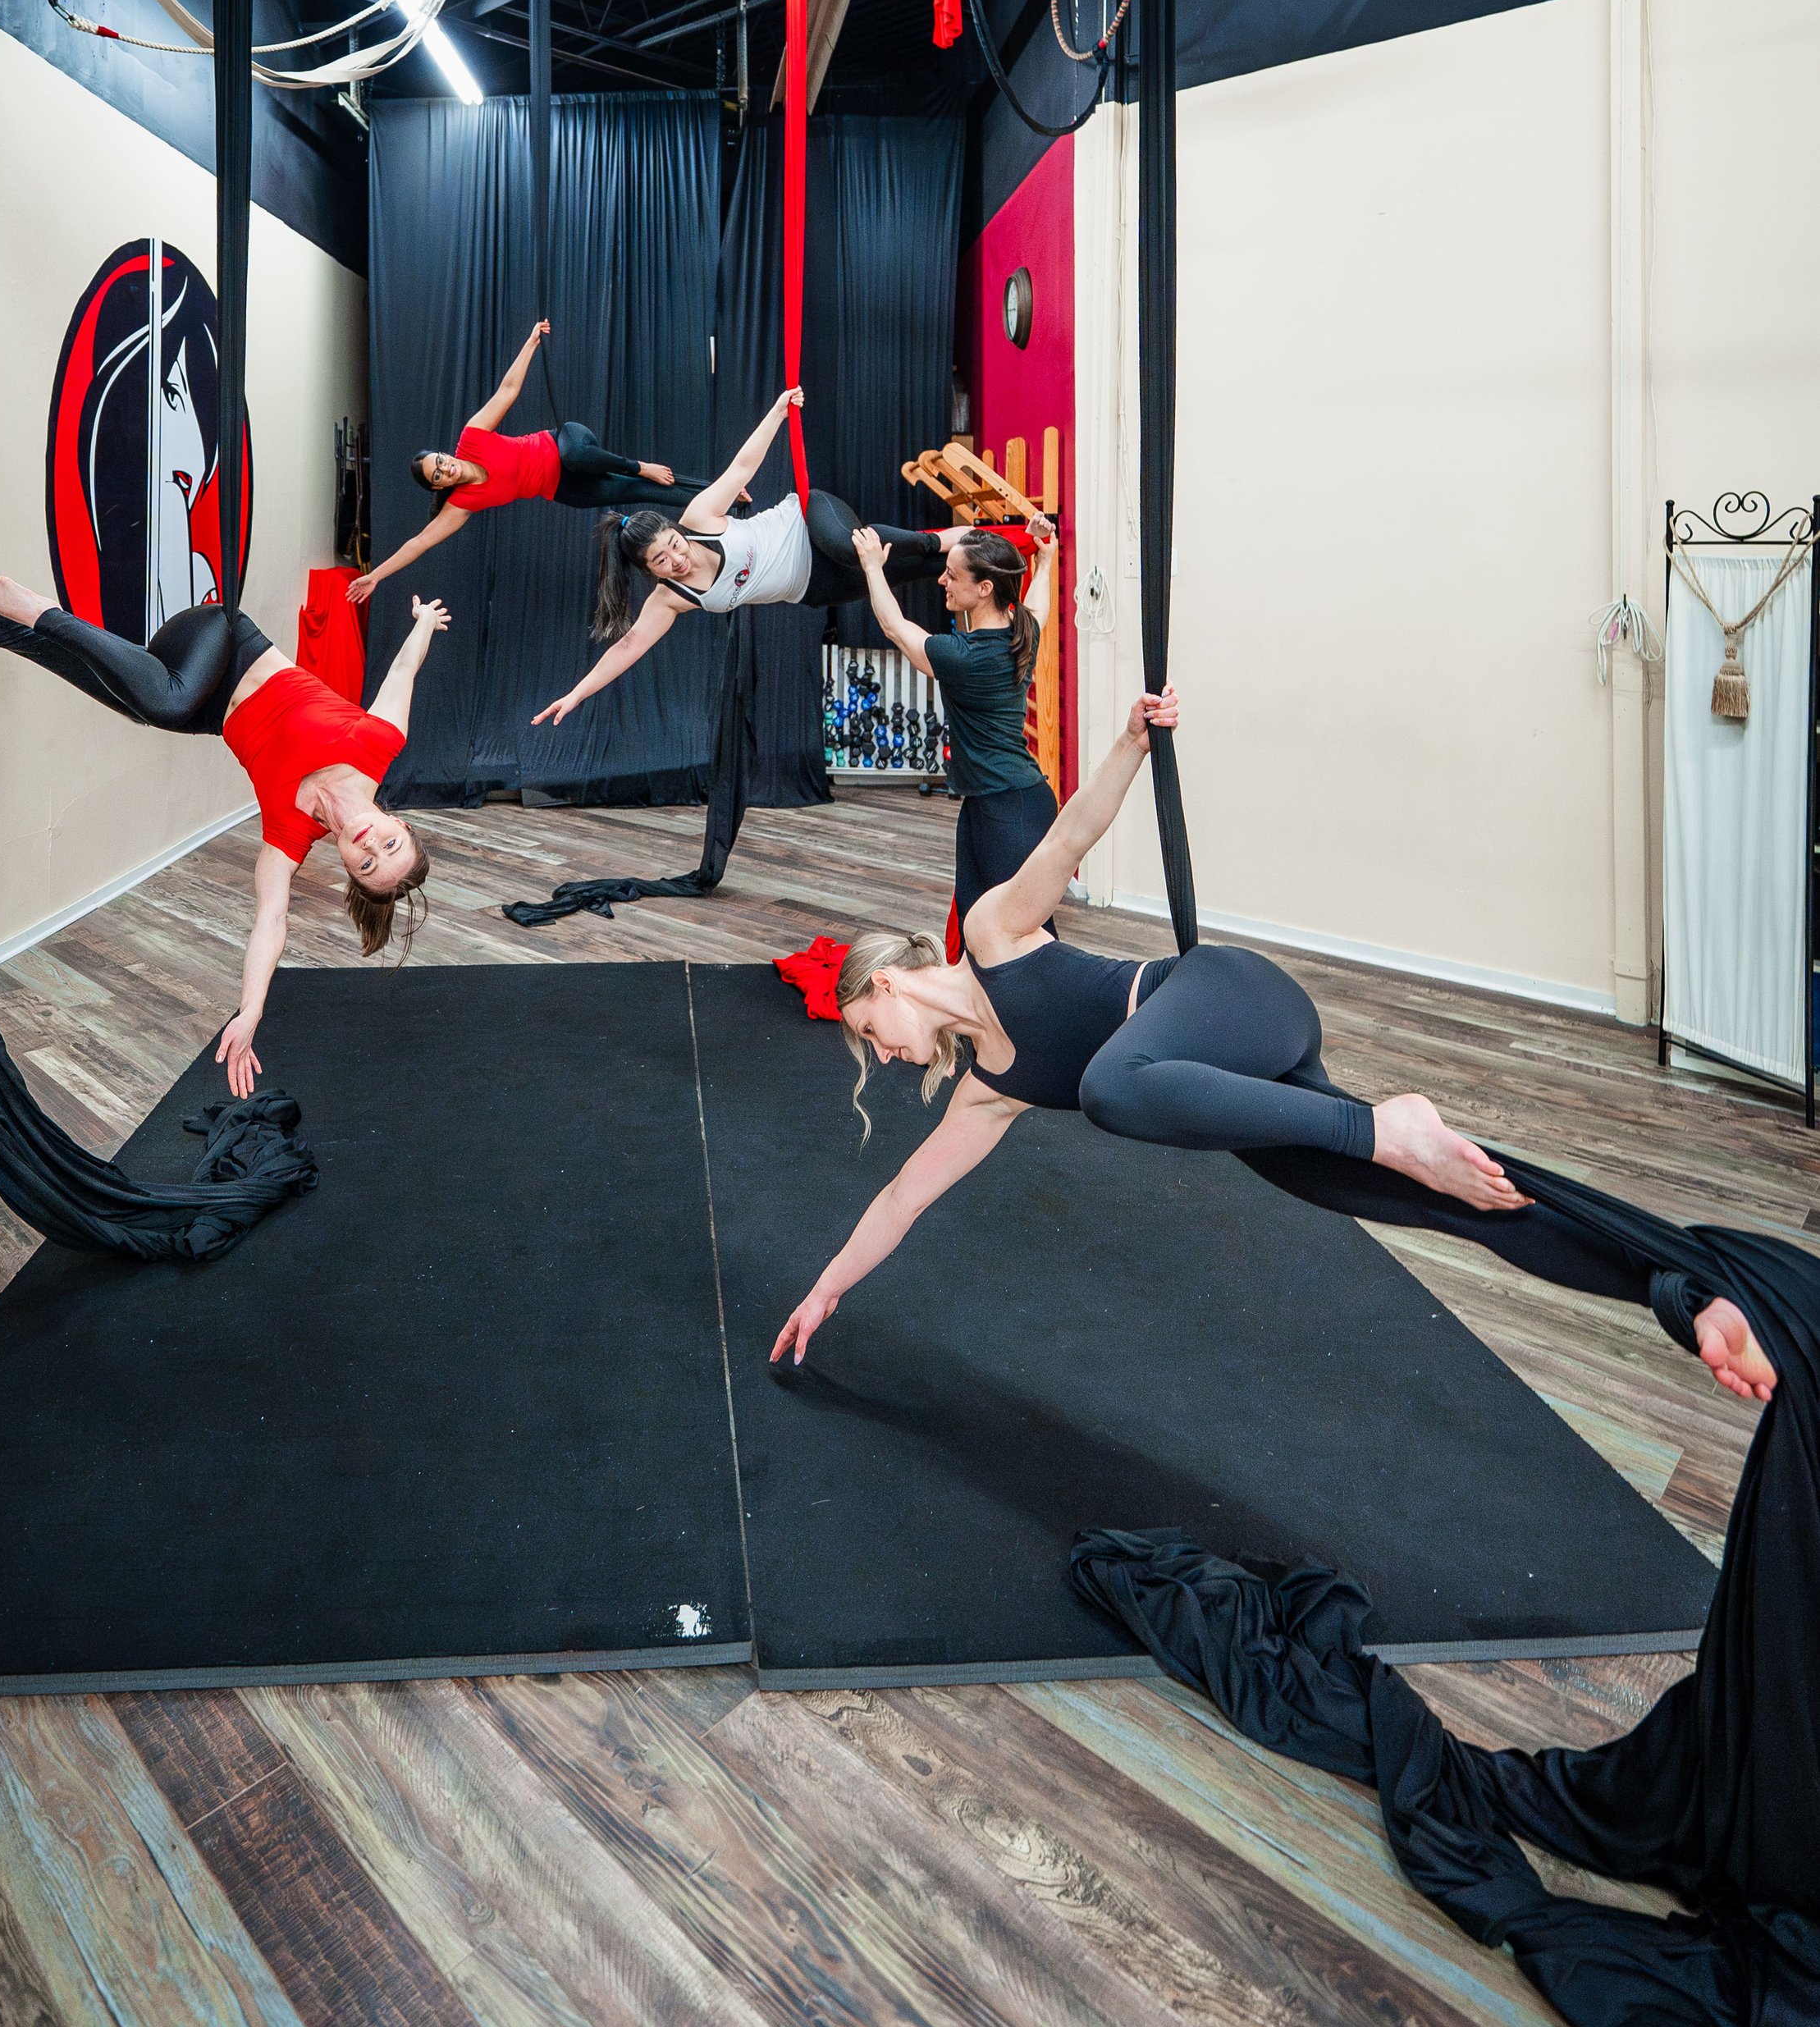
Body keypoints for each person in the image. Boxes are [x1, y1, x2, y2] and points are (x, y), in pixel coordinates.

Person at [771, 687, 1781, 1405]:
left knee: (1115, 1083)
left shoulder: (991, 931)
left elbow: (1068, 840)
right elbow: (902, 1196)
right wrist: (826, 1288)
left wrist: (1129, 740)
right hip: (1231, 1079)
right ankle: (1687, 1293)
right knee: (1430, 1199)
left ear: (889, 980)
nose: (890, 1055)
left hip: (1227, 995)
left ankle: (1388, 1124)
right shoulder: (987, 1091)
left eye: (871, 1031)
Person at [0, 536, 448, 1100]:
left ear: (347, 869)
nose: (371, 845)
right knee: (149, 689)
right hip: (221, 639)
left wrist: (251, 1010)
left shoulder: (289, 835)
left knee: (52, 655)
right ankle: (38, 606)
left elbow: (272, 921)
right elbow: (403, 670)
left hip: (186, 697)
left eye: (367, 865)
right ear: (402, 824)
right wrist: (422, 621)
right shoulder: (378, 741)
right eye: (391, 844)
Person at [532, 387, 976, 727]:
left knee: (859, 549)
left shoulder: (698, 517)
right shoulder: (670, 598)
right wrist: (577, 695)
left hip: (811, 520)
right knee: (914, 574)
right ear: (650, 571)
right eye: (662, 562)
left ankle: (934, 540)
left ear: (675, 531)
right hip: (816, 586)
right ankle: (971, 546)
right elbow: (628, 647)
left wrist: (779, 411)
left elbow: (742, 467)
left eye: (673, 545)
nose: (677, 559)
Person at [349, 319, 715, 606]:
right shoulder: (462, 504)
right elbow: (419, 543)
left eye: (441, 461)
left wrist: (530, 344)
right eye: (439, 475)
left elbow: (507, 390)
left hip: (567, 442)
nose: (447, 469)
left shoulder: (472, 438)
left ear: (446, 454)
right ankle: (720, 496)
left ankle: (639, 465)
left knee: (588, 459)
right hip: (564, 487)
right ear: (440, 486)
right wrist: (377, 575)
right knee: (641, 492)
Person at [852, 515, 1058, 924]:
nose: (942, 581)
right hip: (999, 799)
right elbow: (1037, 604)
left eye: (952, 575)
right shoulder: (1023, 632)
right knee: (976, 922)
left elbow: (895, 628)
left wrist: (874, 567)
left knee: (1019, 932)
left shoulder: (962, 656)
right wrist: (1047, 560)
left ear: (984, 588)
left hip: (1007, 805)